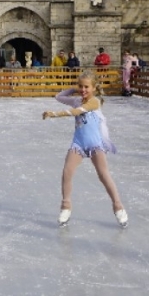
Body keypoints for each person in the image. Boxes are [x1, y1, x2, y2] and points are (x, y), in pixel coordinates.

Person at [41, 71, 127, 228]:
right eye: (80, 86)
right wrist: (73, 89)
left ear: (93, 88)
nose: (83, 89)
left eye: (86, 86)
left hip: (95, 145)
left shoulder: (94, 102)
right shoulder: (76, 99)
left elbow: (76, 111)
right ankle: (66, 206)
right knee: (67, 172)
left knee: (103, 175)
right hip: (79, 144)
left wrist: (54, 114)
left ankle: (118, 206)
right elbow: (59, 97)